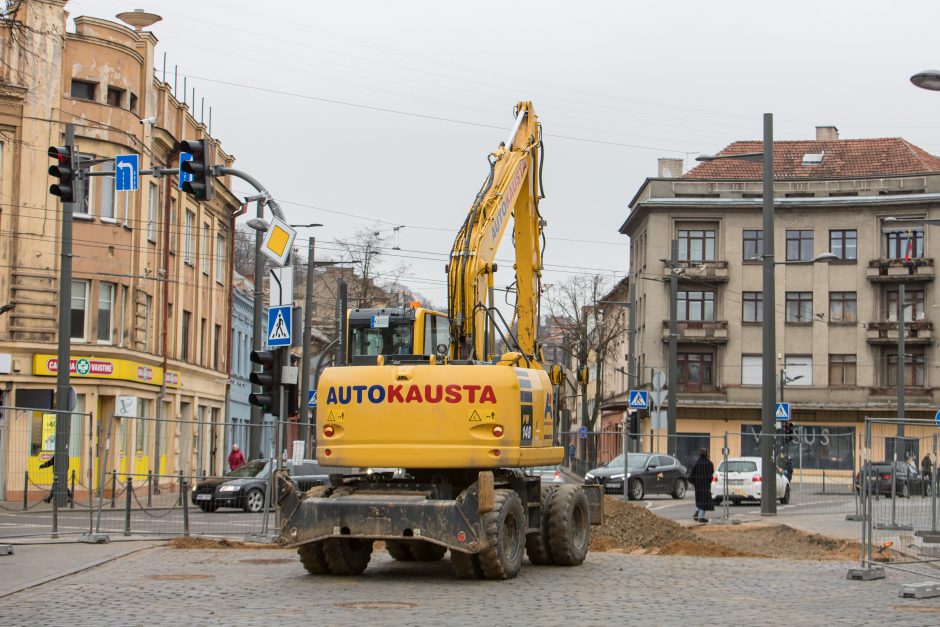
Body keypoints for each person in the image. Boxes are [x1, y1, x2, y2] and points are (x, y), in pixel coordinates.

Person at [689, 448, 715, 523]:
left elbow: (691, 476)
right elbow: (710, 476)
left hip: (698, 486)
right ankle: (701, 517)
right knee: (704, 501)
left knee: (699, 500)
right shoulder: (709, 463)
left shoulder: (697, 463)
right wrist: (709, 481)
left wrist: (695, 483)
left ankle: (697, 512)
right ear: (707, 454)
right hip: (705, 485)